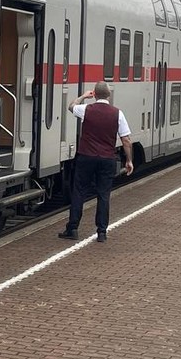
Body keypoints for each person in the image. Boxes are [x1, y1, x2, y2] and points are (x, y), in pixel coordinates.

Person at [59, 81, 134, 243]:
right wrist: (129, 160)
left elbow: (71, 106)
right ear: (109, 95)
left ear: (95, 94)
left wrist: (83, 96)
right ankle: (101, 232)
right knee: (103, 195)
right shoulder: (117, 113)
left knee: (79, 192)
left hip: (86, 157)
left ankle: (72, 228)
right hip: (107, 159)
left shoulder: (86, 109)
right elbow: (126, 140)